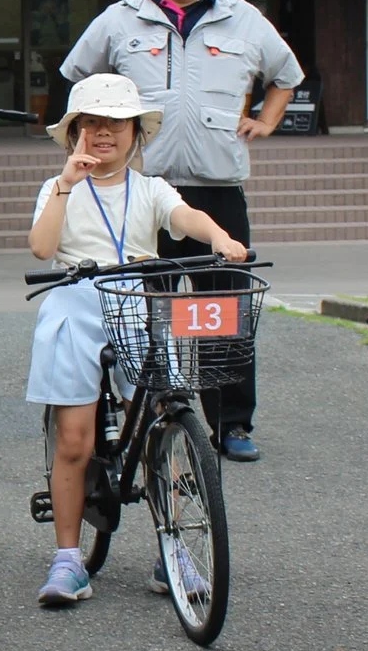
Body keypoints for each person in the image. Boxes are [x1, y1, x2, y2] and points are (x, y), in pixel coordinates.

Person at [60, 0, 302, 463]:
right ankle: (152, 415)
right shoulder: (122, 19)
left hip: (219, 188)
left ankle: (232, 423)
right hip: (144, 191)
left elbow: (286, 74)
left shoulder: (242, 17)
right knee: (147, 314)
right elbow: (77, 75)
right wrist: (91, 139)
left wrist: (266, 119)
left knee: (227, 313)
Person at [26, 74, 249, 609]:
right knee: (75, 439)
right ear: (75, 131)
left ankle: (171, 549)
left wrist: (218, 235)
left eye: (117, 123)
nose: (105, 133)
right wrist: (66, 182)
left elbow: (183, 217)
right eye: (92, 123)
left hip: (137, 302)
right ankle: (68, 559)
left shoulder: (149, 188)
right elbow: (41, 247)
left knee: (161, 424)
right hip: (73, 300)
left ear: (135, 132)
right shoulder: (59, 187)